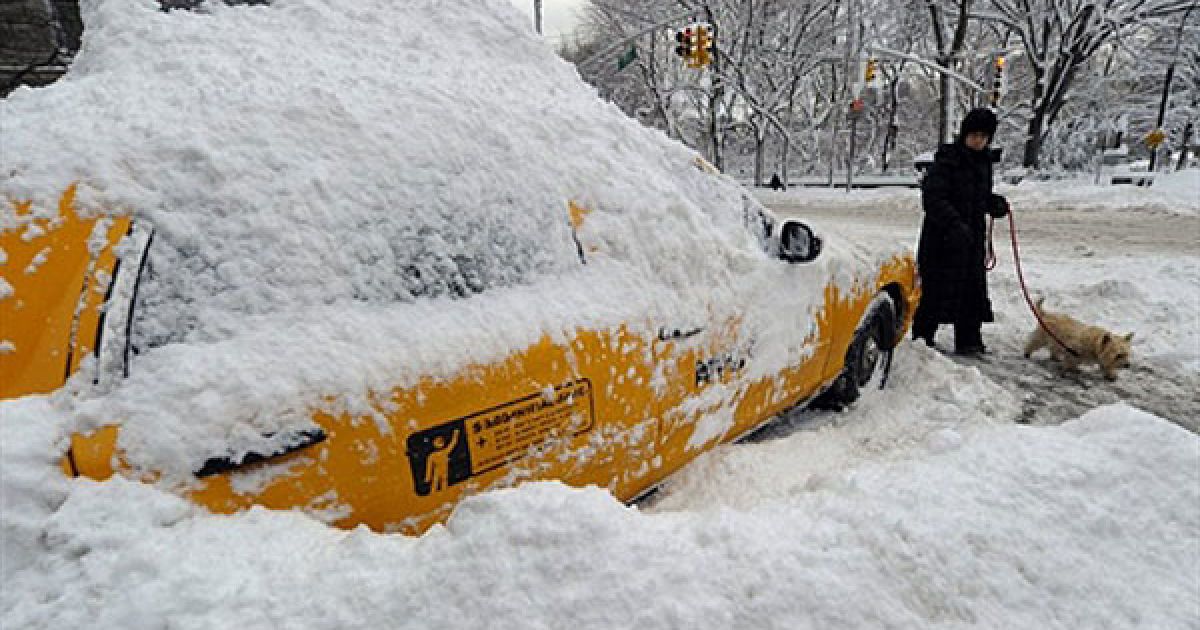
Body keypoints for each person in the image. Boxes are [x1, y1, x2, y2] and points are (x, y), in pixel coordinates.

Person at [912, 107, 1010, 355]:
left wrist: (993, 203)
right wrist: (953, 224)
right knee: (936, 290)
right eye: (974, 135)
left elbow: (978, 197)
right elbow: (933, 199)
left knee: (971, 289)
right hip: (941, 240)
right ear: (964, 134)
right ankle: (922, 341)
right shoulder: (947, 160)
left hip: (971, 238)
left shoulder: (984, 162)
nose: (978, 141)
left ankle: (969, 341)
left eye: (984, 137)